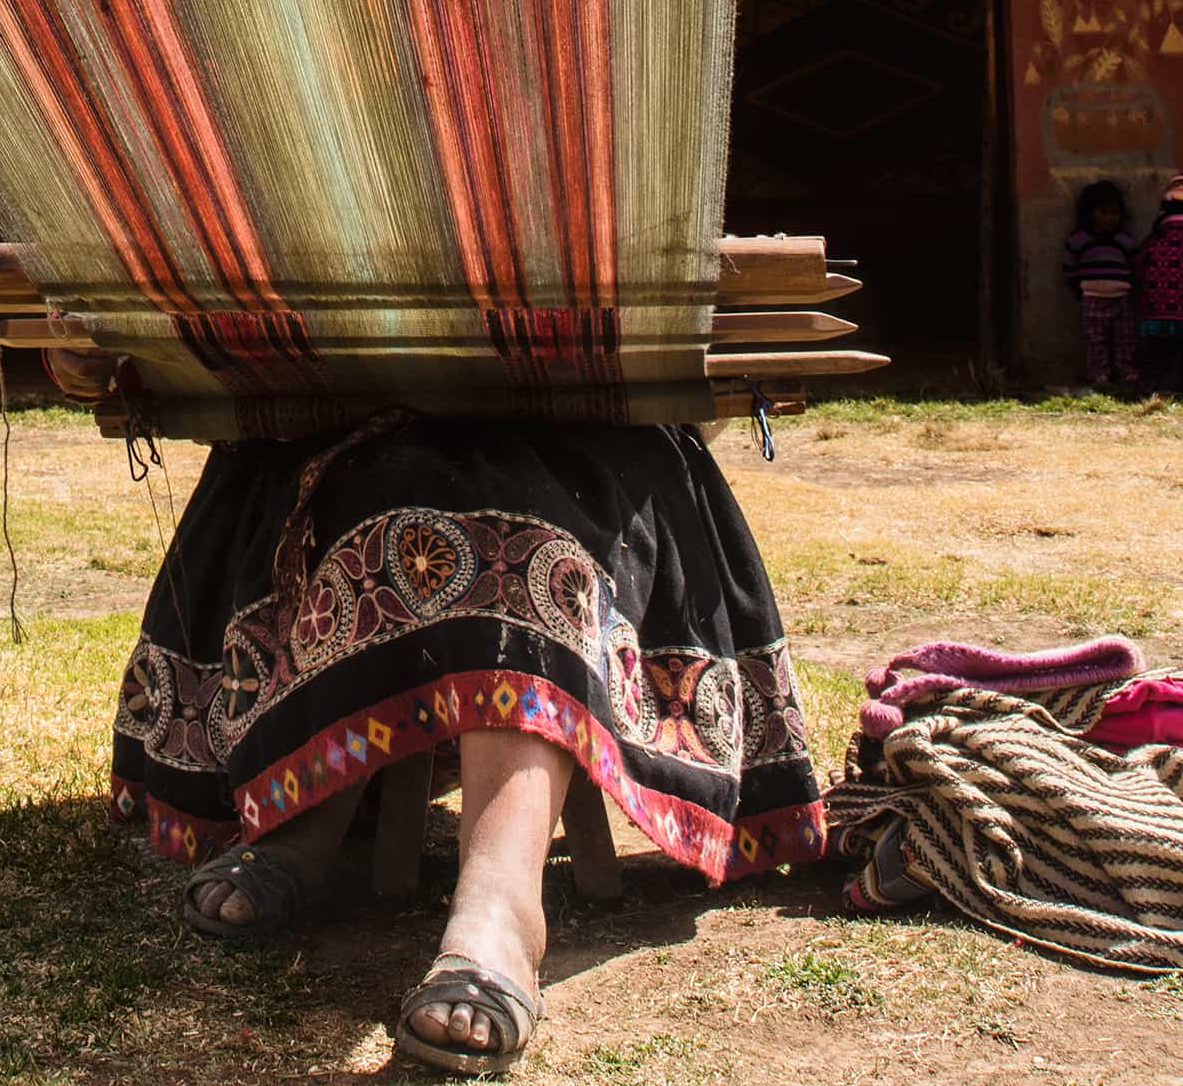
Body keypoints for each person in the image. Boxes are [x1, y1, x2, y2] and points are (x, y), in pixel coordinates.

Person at [111, 412, 826, 1076]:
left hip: (592, 445)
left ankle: (501, 908)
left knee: (534, 540)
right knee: (375, 492)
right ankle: (303, 813)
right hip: (348, 432)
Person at [1062, 180, 1140, 395]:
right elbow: (1069, 266)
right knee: (1096, 339)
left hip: (1121, 298)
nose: (1109, 218)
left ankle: (1125, 372)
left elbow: (1135, 265)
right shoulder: (1079, 240)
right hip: (1092, 298)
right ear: (1089, 213)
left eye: (1114, 213)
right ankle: (1099, 375)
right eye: (1103, 212)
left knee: (1124, 338)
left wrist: (1130, 286)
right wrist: (1079, 289)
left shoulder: (1125, 241)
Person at [1136, 173, 1183, 396]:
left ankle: (1149, 389)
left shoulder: (1156, 236)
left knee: (1157, 360)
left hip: (1155, 314)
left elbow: (1139, 267)